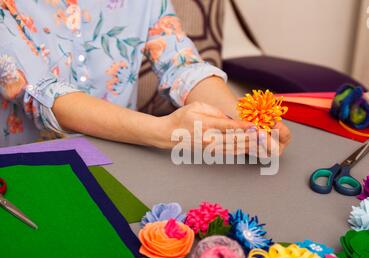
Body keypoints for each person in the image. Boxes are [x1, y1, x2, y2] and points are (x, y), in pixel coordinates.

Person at [0, 0, 290, 154]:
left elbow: (181, 63)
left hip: (124, 160)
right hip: (28, 168)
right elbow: (41, 94)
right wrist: (163, 131)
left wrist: (241, 119)